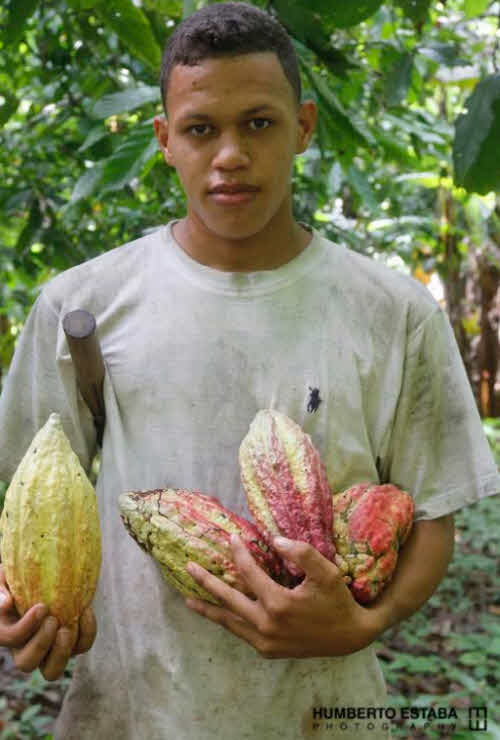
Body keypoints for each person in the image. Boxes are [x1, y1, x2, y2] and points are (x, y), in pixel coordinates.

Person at [0, 3, 499, 738]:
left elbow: (433, 513)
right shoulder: (83, 306)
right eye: (202, 129)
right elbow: (24, 504)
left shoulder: (391, 312)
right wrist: (22, 610)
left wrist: (366, 623)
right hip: (132, 711)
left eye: (259, 123)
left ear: (302, 127)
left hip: (323, 713)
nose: (230, 155)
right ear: (165, 140)